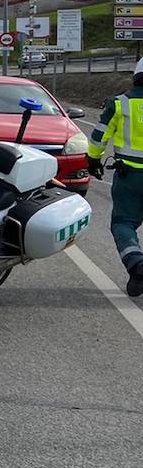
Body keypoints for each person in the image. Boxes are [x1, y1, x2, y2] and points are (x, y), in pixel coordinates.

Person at [88, 56, 143, 295]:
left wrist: (93, 160)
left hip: (130, 176)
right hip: (129, 173)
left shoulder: (119, 104)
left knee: (123, 222)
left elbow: (99, 137)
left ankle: (137, 264)